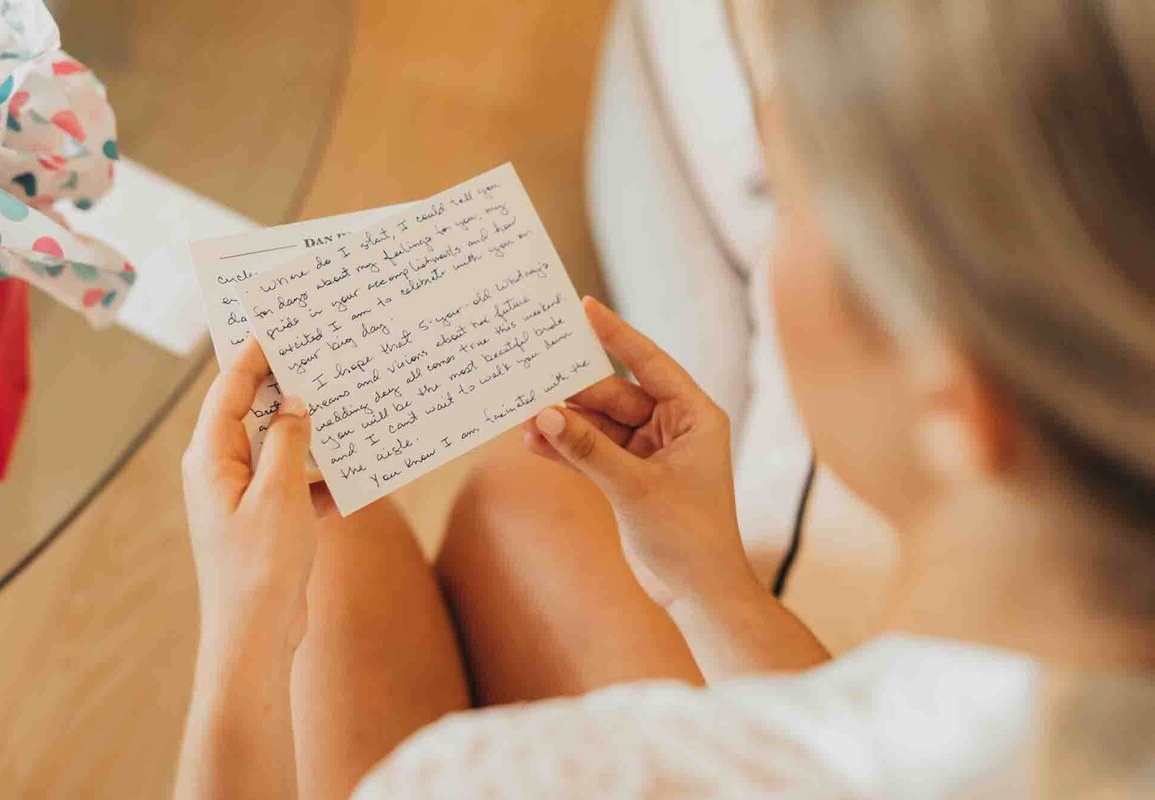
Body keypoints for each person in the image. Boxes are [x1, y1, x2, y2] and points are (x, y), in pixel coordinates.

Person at [174, 1, 1155, 798]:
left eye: (789, 205)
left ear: (961, 403)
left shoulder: (524, 779)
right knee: (527, 489)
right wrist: (711, 580)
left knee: (328, 560)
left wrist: (245, 630)